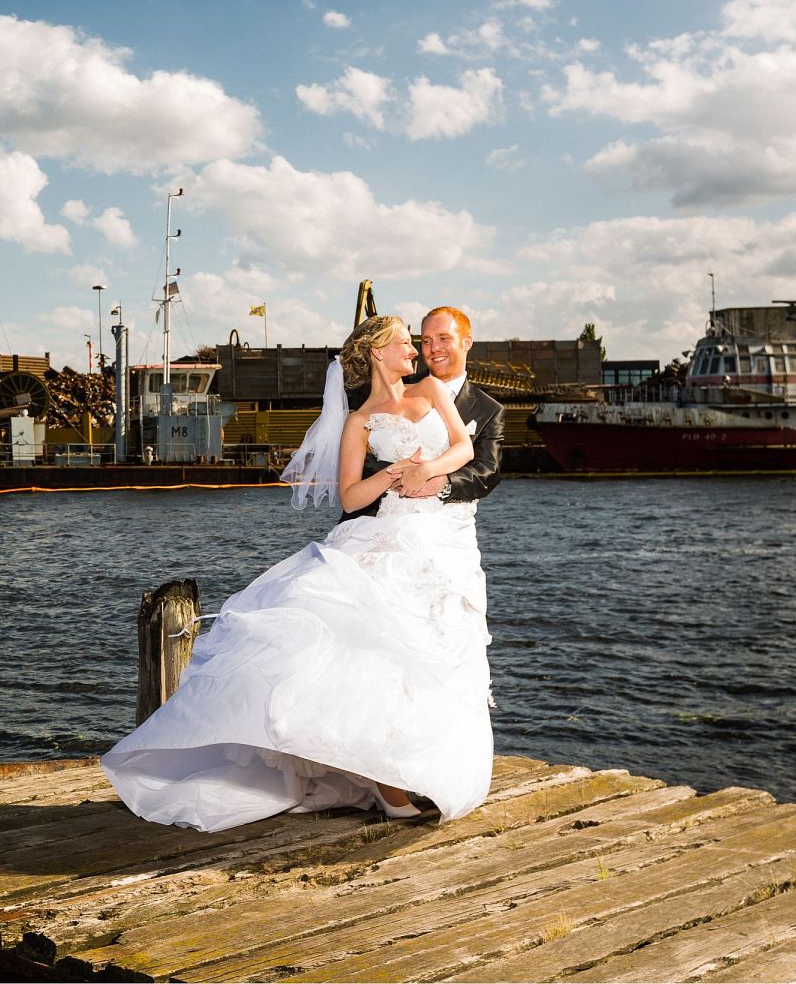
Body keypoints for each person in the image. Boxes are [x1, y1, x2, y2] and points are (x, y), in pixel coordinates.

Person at [101, 315, 495, 832]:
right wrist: (389, 474)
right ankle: (388, 784)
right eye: (405, 342)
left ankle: (418, 766)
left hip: (439, 539)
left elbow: (466, 448)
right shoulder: (359, 421)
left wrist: (431, 469)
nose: (415, 351)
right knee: (358, 642)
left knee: (433, 652)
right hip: (387, 529)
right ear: (378, 352)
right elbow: (350, 497)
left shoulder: (431, 390)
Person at [340, 305, 503, 520]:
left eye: (443, 338)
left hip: (444, 518)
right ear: (378, 351)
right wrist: (395, 472)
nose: (429, 349)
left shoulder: (487, 409)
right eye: (425, 341)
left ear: (466, 343)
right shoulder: (362, 413)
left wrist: (435, 479)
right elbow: (351, 491)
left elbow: (487, 471)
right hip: (378, 519)